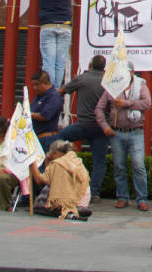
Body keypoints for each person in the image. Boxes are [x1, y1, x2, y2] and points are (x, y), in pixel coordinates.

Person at [94, 63, 152, 211]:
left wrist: (126, 103)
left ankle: (142, 198)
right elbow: (99, 109)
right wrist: (105, 126)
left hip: (136, 131)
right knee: (119, 166)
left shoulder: (141, 85)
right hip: (116, 131)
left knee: (138, 165)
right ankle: (122, 197)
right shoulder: (112, 88)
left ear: (132, 73)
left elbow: (147, 103)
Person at [55, 55, 109, 201]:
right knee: (99, 161)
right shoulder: (108, 80)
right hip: (100, 127)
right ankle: (95, 192)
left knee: (58, 138)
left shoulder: (82, 78)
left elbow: (61, 91)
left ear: (90, 65)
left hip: (83, 124)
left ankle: (64, 166)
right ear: (104, 67)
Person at [28, 139, 91, 220]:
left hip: (70, 201)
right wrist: (48, 160)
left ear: (56, 153)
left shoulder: (58, 164)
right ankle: (77, 210)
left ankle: (68, 210)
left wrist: (32, 163)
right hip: (84, 199)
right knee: (52, 186)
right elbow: (50, 177)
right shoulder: (75, 159)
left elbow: (39, 180)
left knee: (40, 204)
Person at [35, 0, 73, 87]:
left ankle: (50, 89)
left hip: (48, 25)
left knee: (48, 61)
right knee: (60, 62)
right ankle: (56, 90)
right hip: (65, 25)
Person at [28, 71, 62, 151]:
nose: (34, 88)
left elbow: (45, 116)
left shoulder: (54, 97)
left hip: (46, 140)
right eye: (34, 85)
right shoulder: (39, 96)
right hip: (35, 139)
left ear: (45, 83)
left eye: (37, 85)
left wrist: (29, 114)